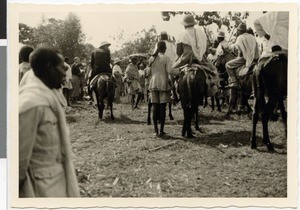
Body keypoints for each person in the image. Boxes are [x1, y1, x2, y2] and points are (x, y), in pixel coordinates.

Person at [19, 46, 80, 197]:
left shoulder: (49, 97)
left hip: (57, 183)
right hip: (40, 190)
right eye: (62, 67)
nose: (66, 72)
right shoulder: (31, 104)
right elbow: (19, 160)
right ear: (49, 68)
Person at [225, 22, 260, 88]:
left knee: (228, 65)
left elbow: (240, 54)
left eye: (238, 30)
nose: (237, 32)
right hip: (256, 58)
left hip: (245, 59)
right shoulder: (252, 36)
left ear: (239, 31)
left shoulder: (240, 38)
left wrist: (237, 57)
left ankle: (234, 82)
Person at [148, 41, 171, 136]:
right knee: (162, 108)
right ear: (164, 48)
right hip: (163, 84)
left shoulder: (151, 58)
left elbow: (149, 73)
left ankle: (155, 130)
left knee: (155, 107)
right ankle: (161, 130)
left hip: (153, 83)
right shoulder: (166, 58)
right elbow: (169, 71)